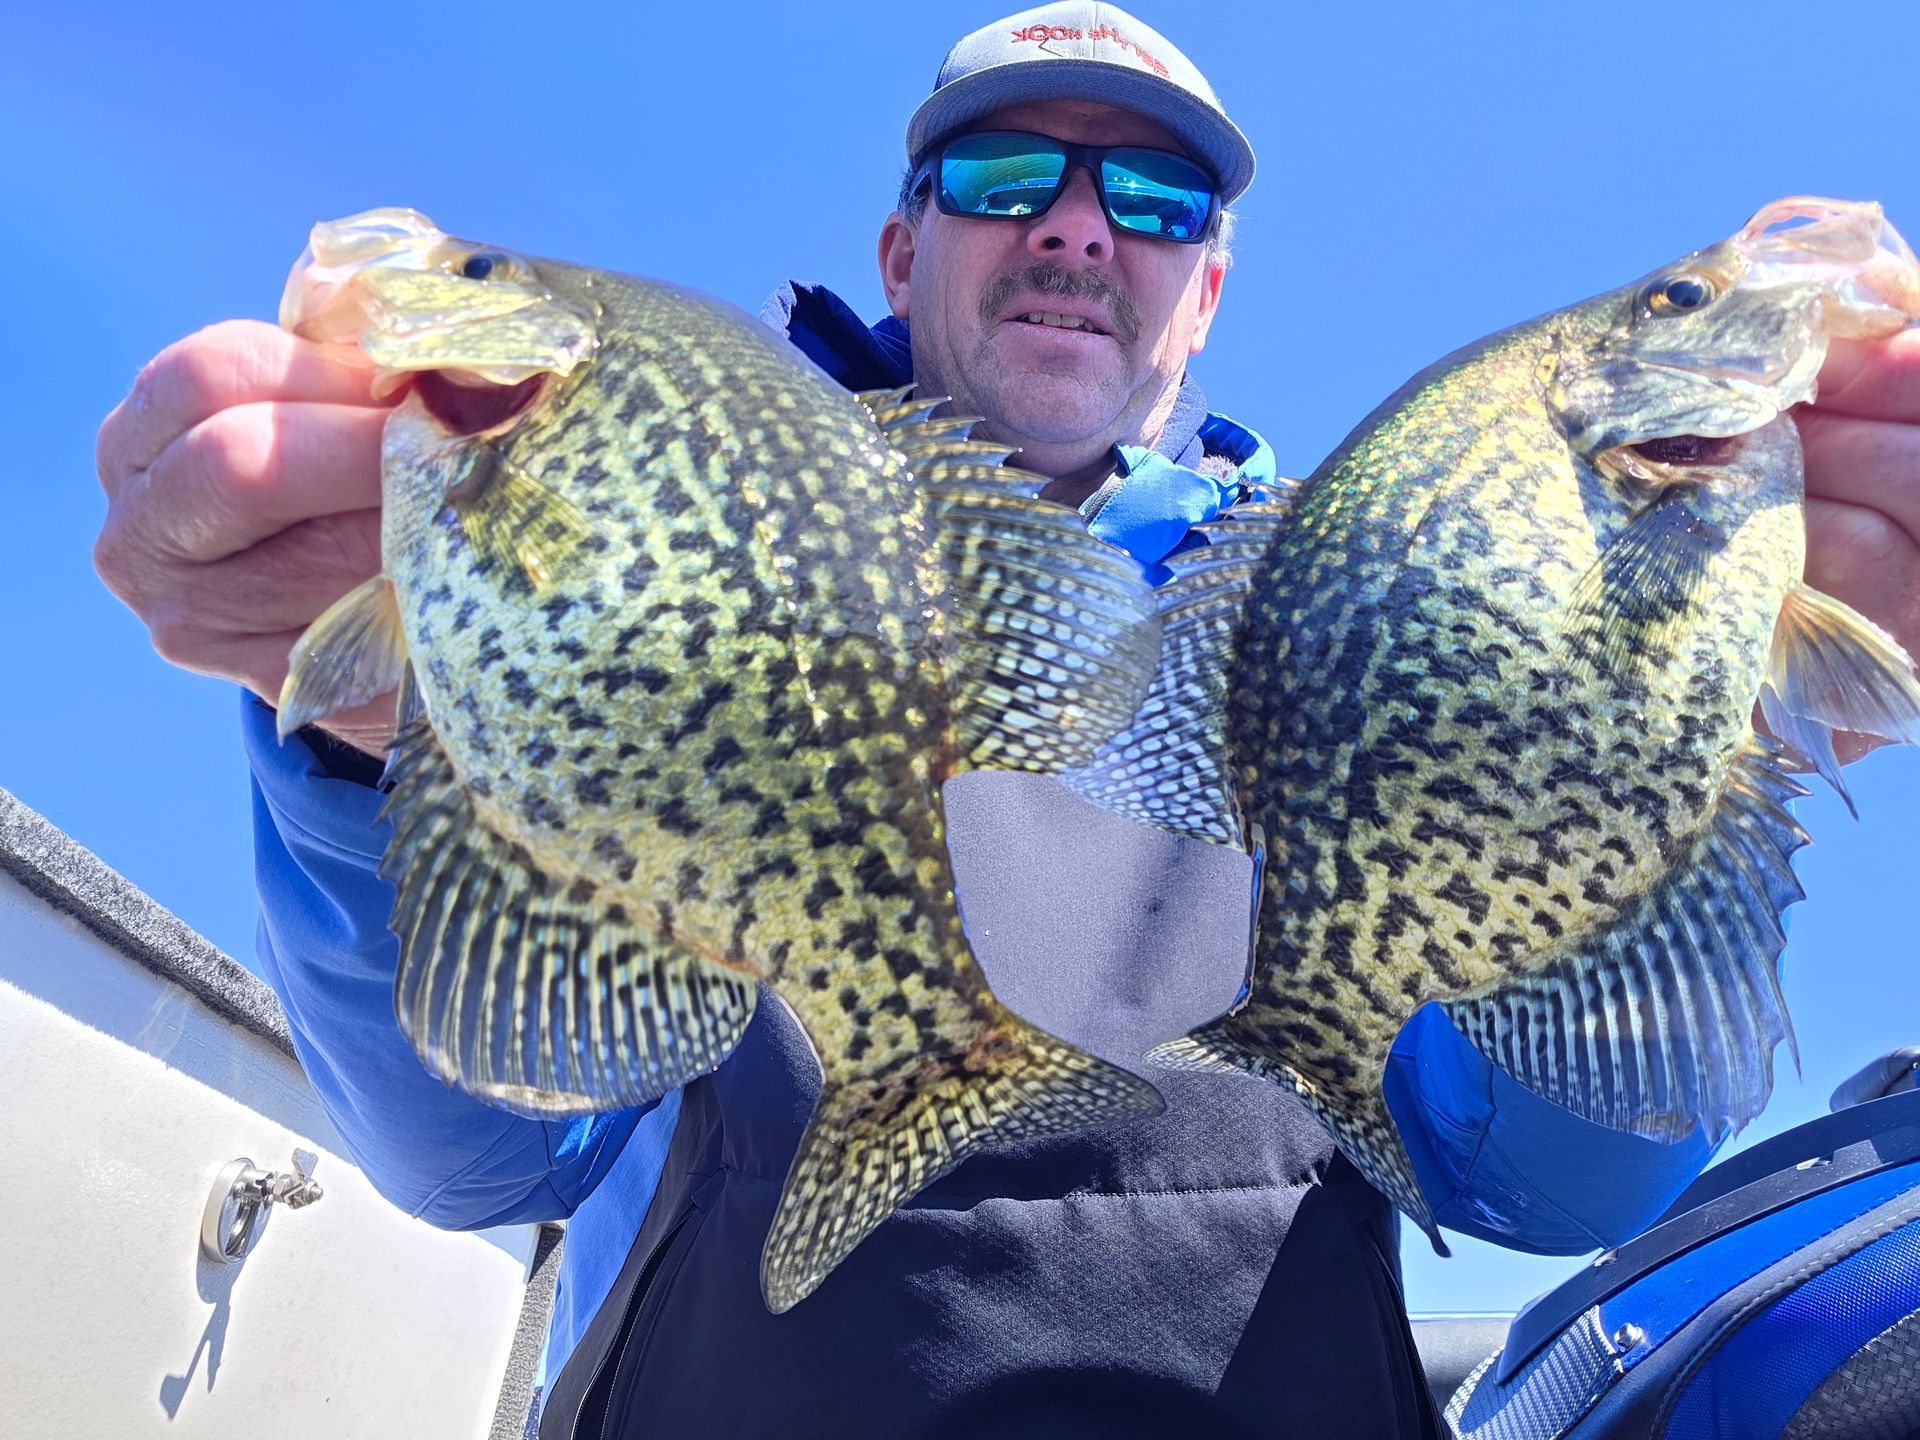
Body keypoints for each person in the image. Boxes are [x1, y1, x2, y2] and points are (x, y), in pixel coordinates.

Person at [90, 5, 1920, 1437]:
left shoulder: (1351, 625)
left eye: (1150, 201)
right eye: (1005, 176)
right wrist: (363, 744)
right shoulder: (688, 566)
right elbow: (471, 1154)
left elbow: (1549, 1183)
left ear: (1202, 291)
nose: (1072, 227)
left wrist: (1695, 767)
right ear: (902, 250)